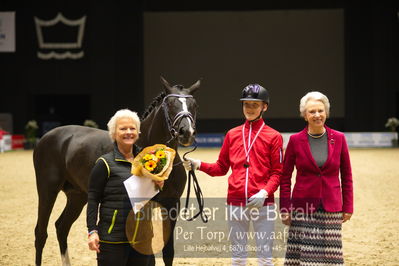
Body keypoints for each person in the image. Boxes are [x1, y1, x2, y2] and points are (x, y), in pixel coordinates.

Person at [184, 84, 283, 266]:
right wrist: (199, 165)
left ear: (264, 107)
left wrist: (264, 193)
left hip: (262, 205)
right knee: (237, 257)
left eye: (255, 105)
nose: (250, 109)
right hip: (235, 203)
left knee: (265, 256)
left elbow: (277, 173)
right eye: (246, 104)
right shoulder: (232, 134)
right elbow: (221, 167)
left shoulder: (274, 136)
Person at [279, 91, 354, 265]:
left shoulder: (340, 139)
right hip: (303, 208)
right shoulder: (295, 141)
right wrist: (285, 207)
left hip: (332, 207)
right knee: (305, 258)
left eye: (320, 110)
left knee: (331, 256)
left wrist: (348, 206)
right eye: (312, 112)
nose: (317, 115)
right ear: (304, 115)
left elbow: (347, 176)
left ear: (326, 113)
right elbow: (285, 178)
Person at [86, 109, 163, 266]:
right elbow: (93, 199)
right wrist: (92, 231)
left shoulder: (149, 160)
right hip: (113, 239)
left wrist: (158, 186)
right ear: (114, 133)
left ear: (138, 132)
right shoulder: (104, 164)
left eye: (132, 128)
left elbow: (152, 201)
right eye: (123, 129)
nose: (129, 132)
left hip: (142, 238)